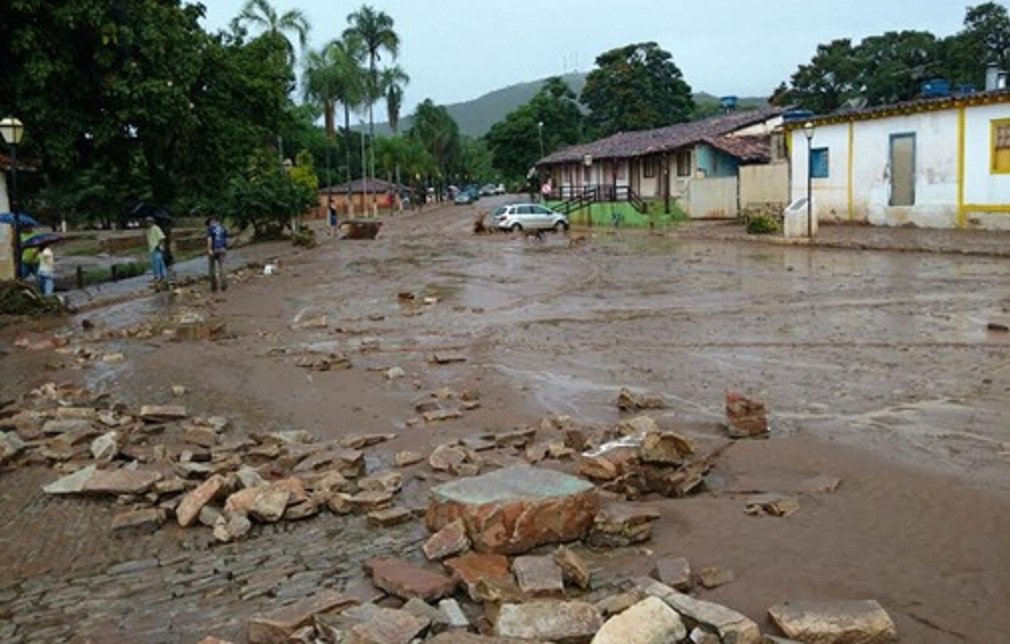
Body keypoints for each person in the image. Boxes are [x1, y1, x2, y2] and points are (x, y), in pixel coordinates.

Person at [206, 216, 229, 292]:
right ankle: (224, 285)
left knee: (212, 268)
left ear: (211, 221)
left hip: (214, 250)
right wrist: (225, 247)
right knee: (223, 267)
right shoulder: (223, 228)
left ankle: (214, 286)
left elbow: (210, 239)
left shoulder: (210, 229)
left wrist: (209, 249)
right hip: (222, 249)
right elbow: (227, 239)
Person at [146, 216, 167, 285]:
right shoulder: (149, 230)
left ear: (152, 222)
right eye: (147, 222)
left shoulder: (156, 228)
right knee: (154, 264)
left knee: (159, 263)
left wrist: (158, 246)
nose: (148, 223)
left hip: (157, 248)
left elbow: (162, 238)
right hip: (152, 249)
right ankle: (156, 277)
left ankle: (161, 277)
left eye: (149, 221)